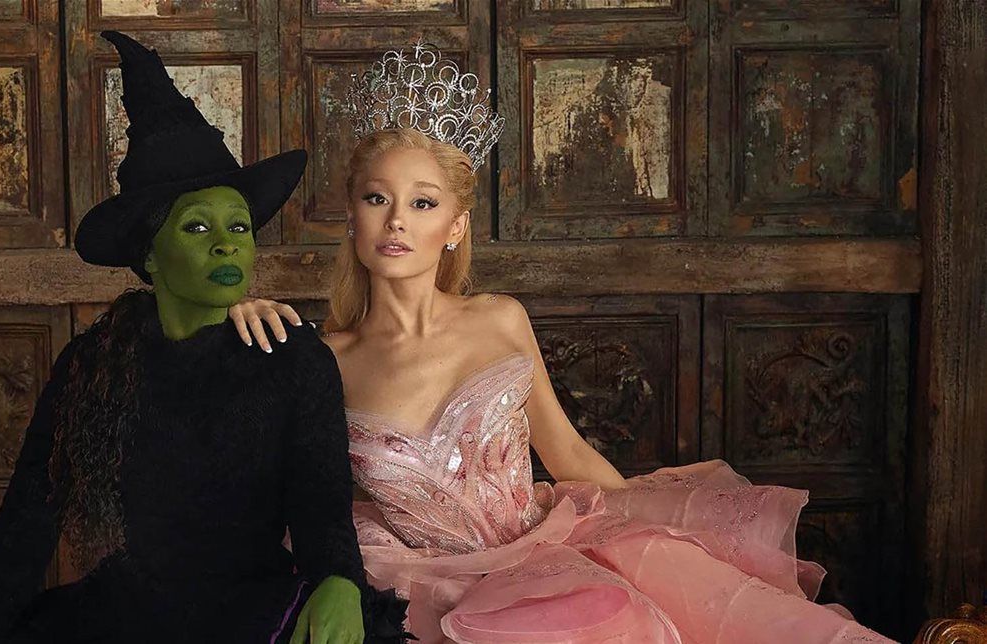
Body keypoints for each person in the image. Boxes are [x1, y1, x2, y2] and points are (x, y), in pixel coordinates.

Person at [227, 42, 894, 643]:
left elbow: (566, 451)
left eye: (423, 203)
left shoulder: (499, 320)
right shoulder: (324, 359)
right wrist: (233, 312)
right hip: (420, 586)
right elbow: (273, 479)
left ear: (455, 227)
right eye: (378, 199)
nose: (397, 220)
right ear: (352, 216)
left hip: (543, 568)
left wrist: (653, 533)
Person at [0, 31, 407, 644]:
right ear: (151, 257)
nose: (227, 244)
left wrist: (339, 579)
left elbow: (322, 511)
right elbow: (24, 531)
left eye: (239, 226)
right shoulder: (91, 366)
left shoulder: (291, 357)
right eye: (198, 227)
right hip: (121, 618)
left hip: (255, 614)